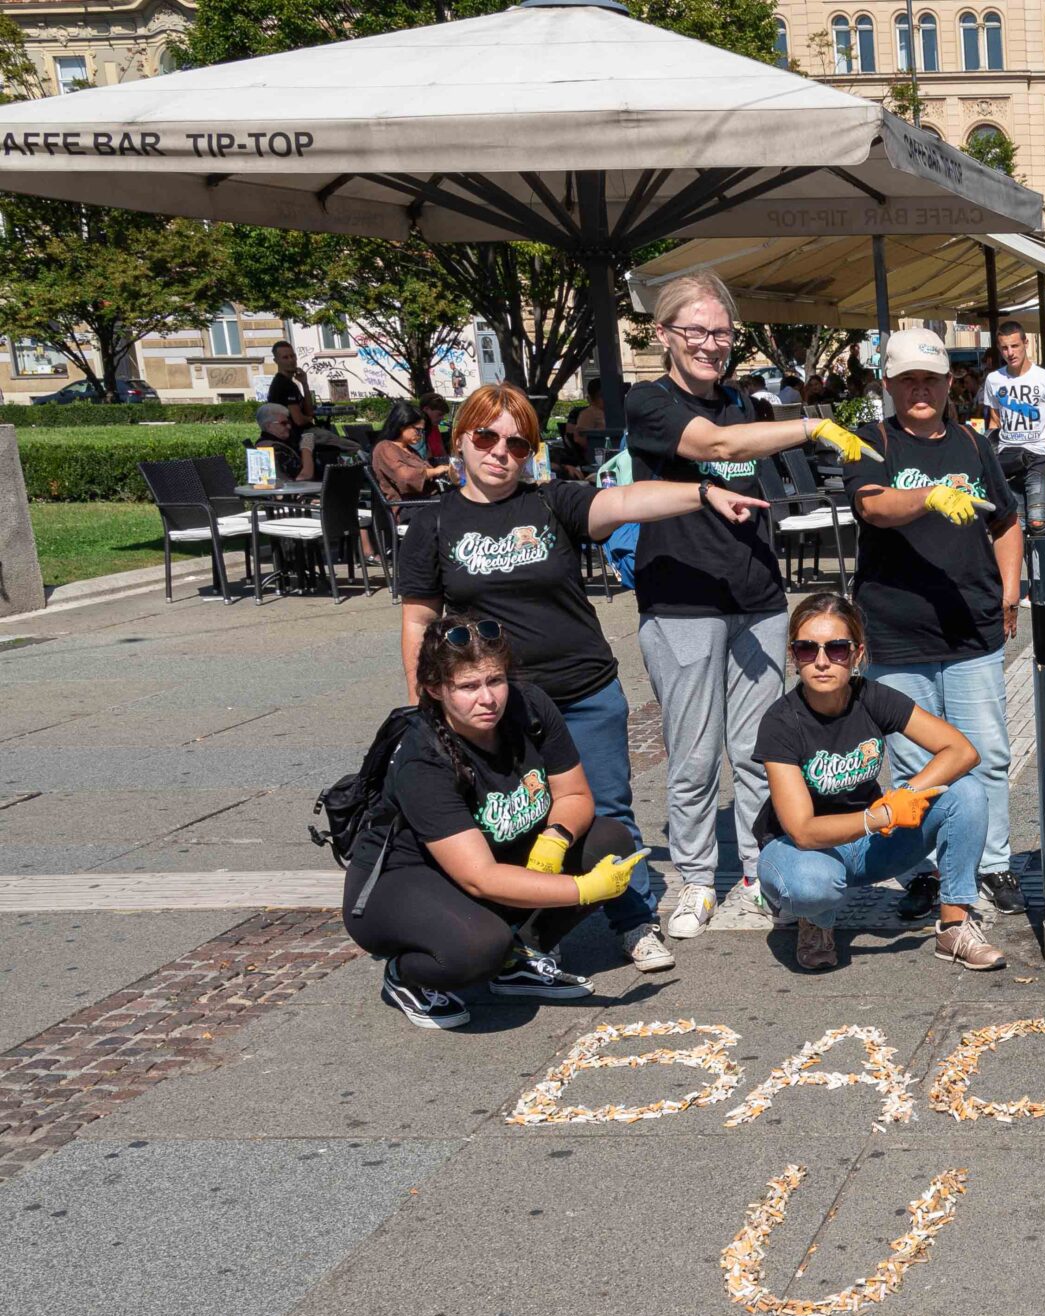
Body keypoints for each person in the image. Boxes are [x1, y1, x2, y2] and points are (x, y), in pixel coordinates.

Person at [394, 381, 769, 973]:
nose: (500, 453)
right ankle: (533, 933)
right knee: (508, 821)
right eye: (486, 437)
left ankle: (634, 921)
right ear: (461, 439)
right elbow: (419, 620)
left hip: (583, 690)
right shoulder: (435, 524)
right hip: (495, 705)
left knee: (609, 811)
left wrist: (701, 492)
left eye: (517, 444)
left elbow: (626, 502)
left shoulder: (551, 503)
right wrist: (425, 707)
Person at [624, 269, 881, 940]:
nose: (711, 343)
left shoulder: (743, 400)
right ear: (665, 334)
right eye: (697, 330)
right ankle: (695, 879)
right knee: (693, 753)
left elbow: (743, 445)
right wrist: (813, 423)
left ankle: (758, 869)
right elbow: (717, 447)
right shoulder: (648, 403)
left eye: (721, 331)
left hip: (758, 597)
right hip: (681, 599)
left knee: (760, 747)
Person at [345, 620, 649, 1030]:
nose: (488, 698)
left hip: (492, 855)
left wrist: (555, 839)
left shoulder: (529, 707)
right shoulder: (423, 757)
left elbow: (575, 796)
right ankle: (408, 976)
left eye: (496, 680)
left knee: (608, 839)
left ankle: (518, 958)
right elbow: (481, 878)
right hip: (402, 882)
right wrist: (582, 889)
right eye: (468, 687)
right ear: (435, 689)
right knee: (478, 947)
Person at [849, 326, 1029, 920]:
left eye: (930, 379)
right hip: (897, 629)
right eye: (907, 381)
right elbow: (873, 506)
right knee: (909, 761)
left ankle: (993, 862)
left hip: (969, 623)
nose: (919, 391)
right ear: (889, 386)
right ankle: (923, 869)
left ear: (951, 383)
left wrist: (1008, 591)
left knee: (987, 752)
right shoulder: (872, 441)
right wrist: (928, 495)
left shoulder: (974, 445)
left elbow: (1006, 521)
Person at [753, 593, 1006, 972]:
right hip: (802, 851)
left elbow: (961, 750)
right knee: (810, 885)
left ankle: (954, 926)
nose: (822, 661)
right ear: (794, 655)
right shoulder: (781, 721)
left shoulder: (871, 696)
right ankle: (814, 920)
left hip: (869, 843)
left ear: (856, 654)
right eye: (807, 649)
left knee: (965, 791)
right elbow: (804, 831)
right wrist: (881, 816)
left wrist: (907, 795)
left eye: (836, 649)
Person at [983, 321, 1045, 536]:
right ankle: (1022, 568)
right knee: (1015, 526)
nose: (1010, 353)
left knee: (1038, 520)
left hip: (1039, 456)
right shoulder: (994, 380)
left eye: (1015, 346)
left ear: (1026, 343)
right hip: (1007, 457)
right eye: (1004, 348)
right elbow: (994, 423)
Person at [370, 401, 452, 501]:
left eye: (423, 431)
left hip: (428, 501)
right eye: (418, 430)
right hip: (412, 506)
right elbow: (406, 477)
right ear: (402, 425)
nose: (421, 435)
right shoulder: (385, 447)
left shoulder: (409, 449)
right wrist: (435, 471)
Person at [251, 402, 315, 483]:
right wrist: (306, 448)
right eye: (283, 423)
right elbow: (304, 477)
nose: (289, 426)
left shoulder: (261, 445)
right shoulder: (276, 449)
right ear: (269, 426)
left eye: (289, 422)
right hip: (290, 493)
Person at [266, 340, 308, 411]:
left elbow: (309, 411)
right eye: (285, 357)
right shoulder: (284, 384)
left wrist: (305, 384)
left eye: (292, 356)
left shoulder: (289, 383)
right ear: (276, 361)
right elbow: (299, 420)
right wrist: (308, 418)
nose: (291, 360)